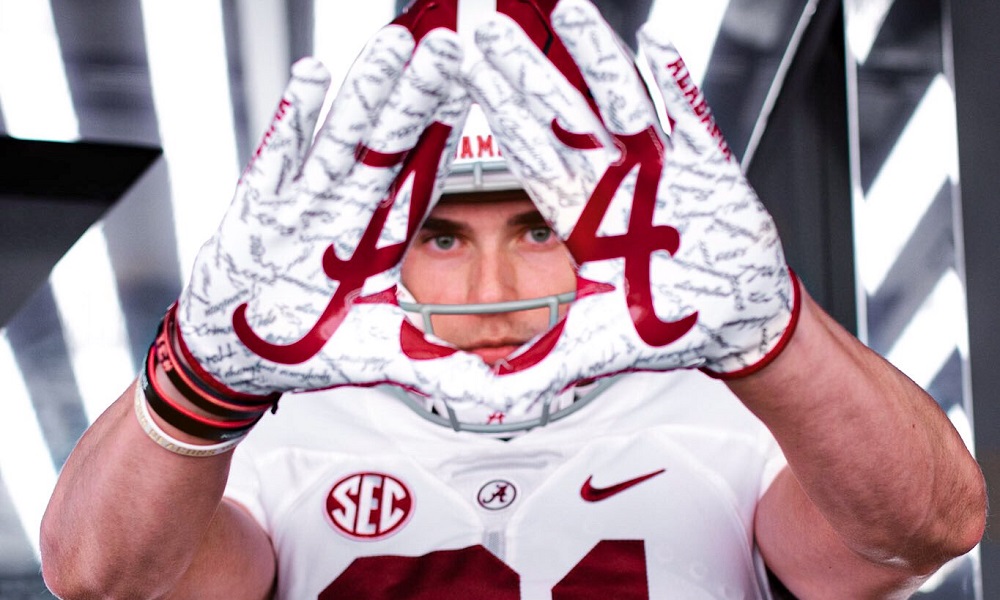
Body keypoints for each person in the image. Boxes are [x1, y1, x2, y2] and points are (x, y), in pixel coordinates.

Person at [39, 0, 985, 598]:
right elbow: (102, 581)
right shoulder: (273, 436)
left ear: (613, 222)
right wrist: (197, 381)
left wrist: (772, 334)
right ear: (374, 242)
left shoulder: (730, 413)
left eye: (538, 228)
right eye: (442, 236)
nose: (492, 292)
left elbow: (921, 532)